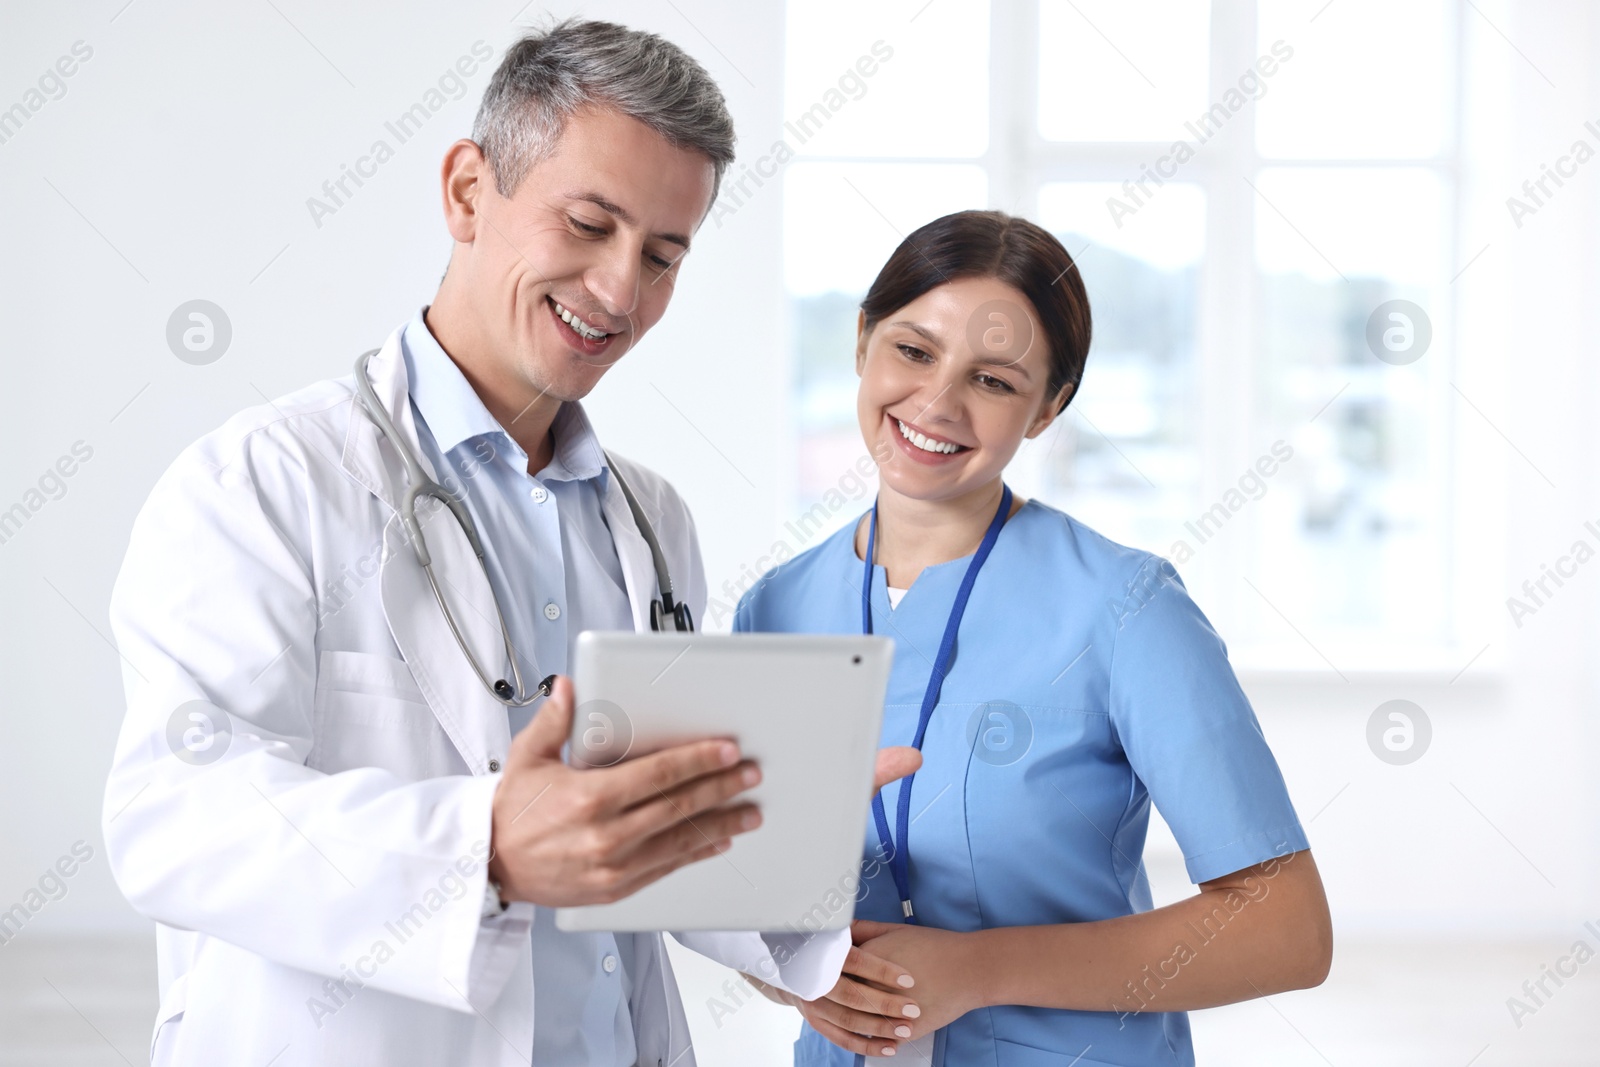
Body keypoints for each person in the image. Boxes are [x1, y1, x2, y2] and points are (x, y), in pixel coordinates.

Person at [101, 19, 919, 1066]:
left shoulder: (651, 522)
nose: (620, 290)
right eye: (587, 224)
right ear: (465, 192)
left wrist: (772, 845)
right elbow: (175, 813)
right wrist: (484, 845)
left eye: (662, 255)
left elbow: (625, 843)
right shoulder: (265, 483)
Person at [733, 210, 1333, 1064]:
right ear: (863, 338)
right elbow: (744, 900)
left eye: (994, 380)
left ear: (1048, 409)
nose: (936, 403)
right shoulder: (774, 609)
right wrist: (801, 979)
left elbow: (1288, 928)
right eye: (912, 349)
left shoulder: (1127, 606)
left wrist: (976, 969)